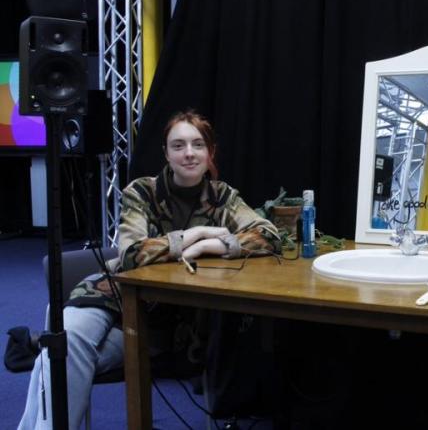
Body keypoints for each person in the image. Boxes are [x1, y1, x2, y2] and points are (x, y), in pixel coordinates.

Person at [19, 110, 280, 429]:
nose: (188, 153)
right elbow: (130, 254)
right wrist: (193, 236)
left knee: (56, 357)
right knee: (67, 341)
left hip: (153, 324)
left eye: (198, 145)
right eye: (179, 145)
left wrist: (211, 247)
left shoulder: (223, 197)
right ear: (166, 154)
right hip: (106, 297)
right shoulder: (142, 192)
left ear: (209, 152)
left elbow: (268, 236)